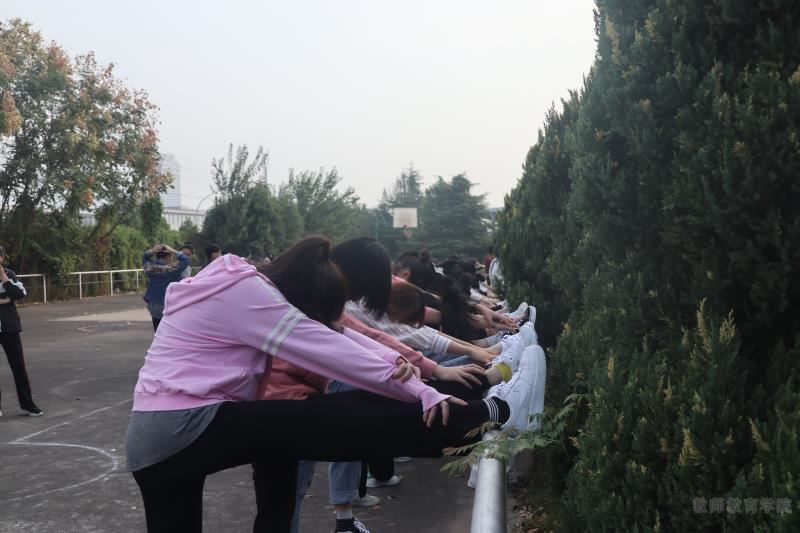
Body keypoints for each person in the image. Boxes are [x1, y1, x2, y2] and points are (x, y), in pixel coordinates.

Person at [126, 236, 544, 533]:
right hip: (186, 425)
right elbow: (332, 347)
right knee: (336, 418)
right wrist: (420, 388)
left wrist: (408, 370)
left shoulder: (245, 282)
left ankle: (479, 411)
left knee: (284, 454)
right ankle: (487, 415)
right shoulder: (249, 294)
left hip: (155, 442)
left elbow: (344, 334)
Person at [0, 245, 43, 417]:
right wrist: (5, 299)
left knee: (18, 366)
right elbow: (10, 298)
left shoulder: (9, 275)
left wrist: (4, 278)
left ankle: (27, 405)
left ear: (2, 258)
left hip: (10, 327)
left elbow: (18, 294)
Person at [142, 244, 190, 331]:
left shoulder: (150, 267)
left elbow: (144, 257)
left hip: (154, 304)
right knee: (169, 332)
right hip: (169, 305)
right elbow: (186, 260)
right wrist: (173, 251)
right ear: (168, 256)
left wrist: (151, 251)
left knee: (157, 329)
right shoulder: (172, 269)